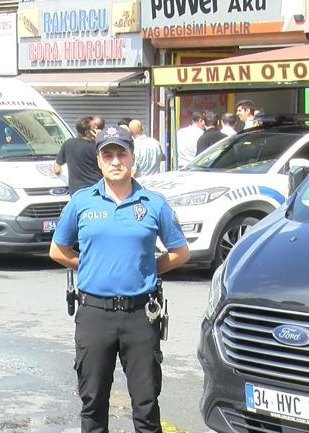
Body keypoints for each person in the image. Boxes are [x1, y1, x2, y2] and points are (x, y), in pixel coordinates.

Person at [49, 125, 190, 433]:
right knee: (93, 402)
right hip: (94, 314)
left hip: (141, 315)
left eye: (121, 154)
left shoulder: (153, 203)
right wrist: (87, 265)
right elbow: (57, 250)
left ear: (132, 158)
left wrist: (148, 269)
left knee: (146, 404)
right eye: (108, 155)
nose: (115, 161)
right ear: (99, 161)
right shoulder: (82, 202)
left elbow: (181, 252)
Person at [53, 116, 102, 195]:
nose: (97, 128)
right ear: (87, 131)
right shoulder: (96, 146)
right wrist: (100, 139)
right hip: (95, 190)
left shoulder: (68, 143)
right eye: (94, 126)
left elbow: (57, 168)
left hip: (75, 191)